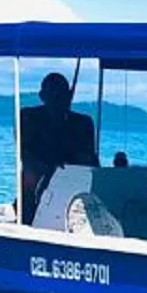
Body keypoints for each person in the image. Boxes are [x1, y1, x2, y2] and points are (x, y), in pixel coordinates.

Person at [19, 72, 98, 222]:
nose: (57, 99)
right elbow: (25, 154)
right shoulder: (28, 117)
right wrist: (50, 171)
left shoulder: (82, 123)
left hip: (73, 183)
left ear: (69, 96)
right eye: (53, 95)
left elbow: (90, 161)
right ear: (42, 96)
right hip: (37, 183)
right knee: (30, 177)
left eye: (62, 95)